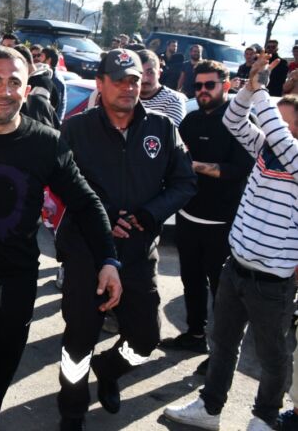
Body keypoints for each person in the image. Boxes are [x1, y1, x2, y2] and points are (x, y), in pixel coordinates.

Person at [0, 47, 121, 429]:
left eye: (14, 82)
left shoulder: (46, 142)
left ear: (27, 90)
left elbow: (85, 202)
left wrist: (109, 259)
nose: (4, 91)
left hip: (17, 284)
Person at [57, 49, 196, 430]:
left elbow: (185, 183)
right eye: (117, 80)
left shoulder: (164, 128)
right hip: (87, 253)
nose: (127, 87)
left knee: (146, 340)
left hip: (137, 253)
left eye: (133, 80)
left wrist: (149, 213)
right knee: (78, 343)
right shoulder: (76, 129)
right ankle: (72, 410)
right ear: (100, 84)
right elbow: (61, 185)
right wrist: (103, 216)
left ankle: (110, 368)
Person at [164, 55, 298, 431]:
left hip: (272, 281)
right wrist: (249, 90)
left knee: (273, 357)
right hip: (236, 265)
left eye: (287, 124)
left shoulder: (294, 156)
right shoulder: (264, 151)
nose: (277, 129)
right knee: (222, 345)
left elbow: (281, 140)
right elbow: (233, 120)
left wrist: (259, 93)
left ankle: (264, 419)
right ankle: (210, 408)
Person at [158, 60, 254, 367]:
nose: (202, 91)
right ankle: (195, 334)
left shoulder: (241, 124)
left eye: (209, 85)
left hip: (223, 223)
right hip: (188, 216)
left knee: (222, 293)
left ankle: (220, 354)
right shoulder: (191, 120)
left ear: (226, 86)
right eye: (197, 85)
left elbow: (239, 170)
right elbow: (174, 158)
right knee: (191, 280)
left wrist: (195, 166)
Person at [136, 49, 187, 126]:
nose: (144, 78)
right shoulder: (127, 96)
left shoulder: (172, 99)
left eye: (150, 72)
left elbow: (173, 133)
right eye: (140, 73)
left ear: (159, 73)